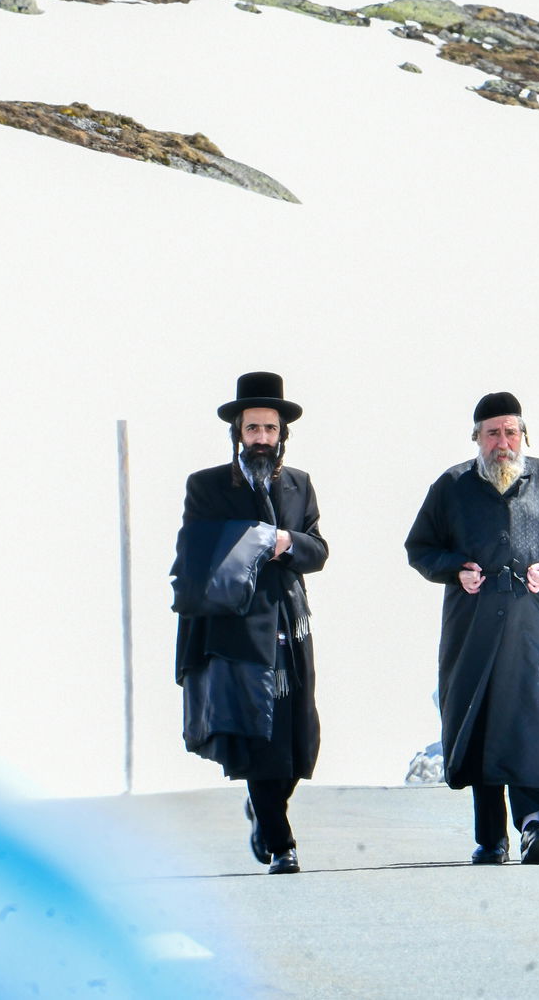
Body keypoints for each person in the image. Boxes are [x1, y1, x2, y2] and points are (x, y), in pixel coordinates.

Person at [405, 391, 539, 865]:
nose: (502, 442)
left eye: (511, 432)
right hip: (475, 632)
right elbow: (419, 547)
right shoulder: (452, 486)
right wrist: (456, 570)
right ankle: (491, 838)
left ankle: (536, 825)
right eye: (492, 433)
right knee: (484, 723)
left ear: (523, 435)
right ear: (477, 438)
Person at [171, 371, 326, 876]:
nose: (261, 438)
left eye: (270, 429)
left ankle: (264, 809)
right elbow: (196, 552)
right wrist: (257, 540)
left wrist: (287, 543)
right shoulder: (208, 485)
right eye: (252, 428)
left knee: (299, 738)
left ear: (283, 434)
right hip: (237, 633)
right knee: (260, 740)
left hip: (290, 627)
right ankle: (281, 842)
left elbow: (317, 549)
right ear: (237, 431)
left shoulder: (300, 484)